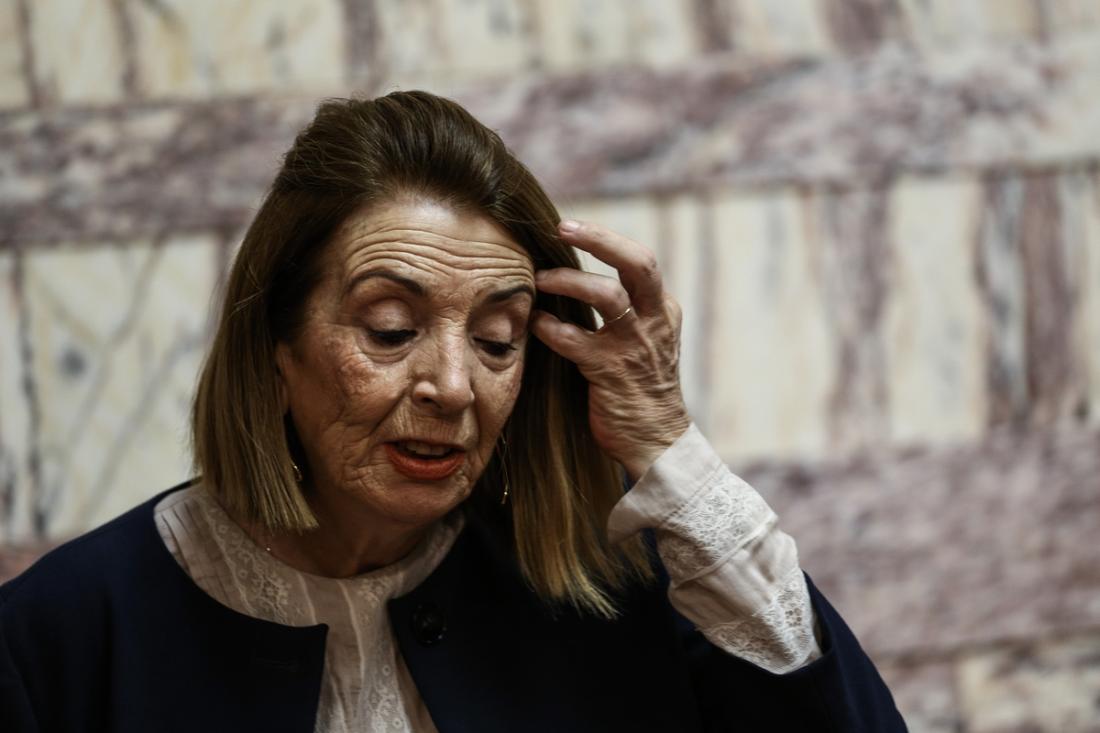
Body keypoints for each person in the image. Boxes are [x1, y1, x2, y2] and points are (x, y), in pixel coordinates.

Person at [0, 91, 906, 732]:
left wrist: (669, 445)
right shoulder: (60, 636)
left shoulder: (604, 587)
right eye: (391, 330)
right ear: (275, 346)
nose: (455, 385)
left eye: (498, 340)